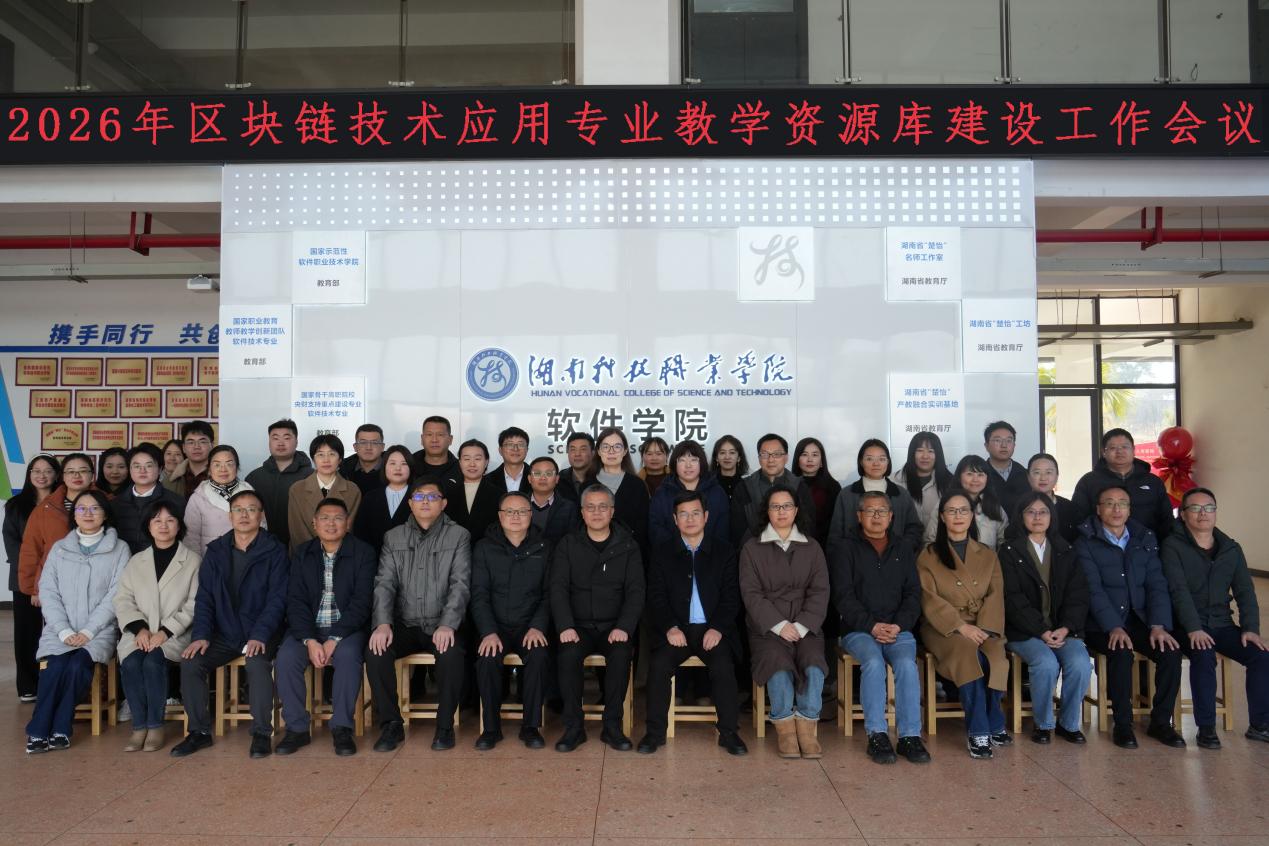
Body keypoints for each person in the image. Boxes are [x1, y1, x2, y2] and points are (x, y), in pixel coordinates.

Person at [171, 489, 289, 759]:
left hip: (263, 631)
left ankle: (261, 733)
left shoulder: (275, 550)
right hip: (225, 632)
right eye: (238, 509)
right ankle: (199, 732)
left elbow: (278, 600)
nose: (244, 515)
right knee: (191, 662)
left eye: (251, 509)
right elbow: (205, 598)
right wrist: (201, 635)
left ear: (261, 516)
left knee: (257, 663)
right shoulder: (216, 551)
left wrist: (260, 634)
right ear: (229, 516)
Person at [365, 477, 470, 752]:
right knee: (376, 651)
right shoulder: (394, 536)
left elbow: (460, 584)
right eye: (419, 497)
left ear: (443, 504)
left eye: (432, 497)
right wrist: (383, 624)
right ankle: (391, 724)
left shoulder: (459, 535)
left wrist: (448, 624)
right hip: (406, 623)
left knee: (451, 655)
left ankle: (444, 726)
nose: (425, 502)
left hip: (441, 623)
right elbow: (384, 583)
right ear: (410, 503)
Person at [1076, 484, 1184, 749]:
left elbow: (1157, 584)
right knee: (1121, 653)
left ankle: (1161, 722)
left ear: (1129, 509)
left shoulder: (1144, 538)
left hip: (1140, 618)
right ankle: (1123, 725)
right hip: (1101, 623)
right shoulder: (1085, 542)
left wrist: (1158, 625)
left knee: (1170, 652)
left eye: (1122, 503)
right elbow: (1093, 590)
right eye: (1109, 503)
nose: (1116, 509)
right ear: (1098, 509)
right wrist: (1113, 625)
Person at [640, 490, 746, 756]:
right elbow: (656, 597)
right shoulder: (662, 552)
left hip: (712, 629)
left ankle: (729, 733)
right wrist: (670, 627)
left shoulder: (724, 550)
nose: (690, 519)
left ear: (706, 516)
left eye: (695, 513)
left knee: (723, 667)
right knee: (659, 666)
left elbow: (732, 597)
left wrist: (718, 628)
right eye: (683, 514)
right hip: (677, 629)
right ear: (675, 519)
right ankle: (654, 733)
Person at [1161, 487, 1268, 748]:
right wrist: (1194, 628)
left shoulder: (1231, 548)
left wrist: (1250, 628)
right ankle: (1206, 728)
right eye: (1195, 508)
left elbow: (1245, 591)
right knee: (1204, 654)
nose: (1203, 514)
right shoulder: (1172, 546)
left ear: (1215, 512)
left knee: (1261, 656)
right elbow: (1178, 592)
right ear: (1183, 514)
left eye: (1209, 508)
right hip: (1186, 626)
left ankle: (1260, 725)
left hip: (1222, 624)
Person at [24, 490, 129, 753]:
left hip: (99, 631)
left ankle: (60, 726)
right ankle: (38, 730)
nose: (88, 514)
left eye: (95, 508)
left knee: (77, 666)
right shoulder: (60, 548)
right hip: (59, 629)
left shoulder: (119, 548)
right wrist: (63, 630)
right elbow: (48, 591)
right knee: (54, 667)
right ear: (74, 515)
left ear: (105, 514)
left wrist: (88, 631)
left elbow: (117, 594)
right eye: (81, 509)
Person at [831, 491, 930, 765]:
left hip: (898, 629)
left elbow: (913, 594)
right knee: (873, 663)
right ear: (859, 516)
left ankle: (909, 736)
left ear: (891, 516)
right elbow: (843, 596)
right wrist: (872, 625)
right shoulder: (845, 548)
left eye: (882, 511)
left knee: (907, 665)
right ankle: (877, 734)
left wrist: (898, 625)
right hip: (858, 630)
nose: (876, 516)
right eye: (870, 511)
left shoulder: (903, 549)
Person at [274, 498, 376, 757]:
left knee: (349, 656)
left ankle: (342, 727)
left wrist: (335, 637)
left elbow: (362, 602)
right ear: (314, 523)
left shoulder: (363, 552)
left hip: (347, 629)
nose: (331, 523)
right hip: (308, 630)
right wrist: (309, 640)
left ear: (348, 523)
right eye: (325, 518)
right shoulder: (302, 553)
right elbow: (295, 601)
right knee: (286, 658)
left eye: (338, 518)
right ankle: (296, 728)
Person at [551, 483, 645, 752]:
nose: (596, 512)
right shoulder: (568, 544)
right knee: (568, 655)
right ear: (582, 512)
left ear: (612, 511)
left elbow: (636, 591)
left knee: (621, 655)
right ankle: (574, 727)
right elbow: (558, 588)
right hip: (577, 626)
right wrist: (565, 626)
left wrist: (624, 627)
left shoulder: (628, 545)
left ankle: (612, 726)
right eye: (590, 507)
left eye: (603, 507)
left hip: (614, 626)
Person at [739, 484, 829, 759]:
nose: (781, 512)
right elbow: (751, 594)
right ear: (766, 512)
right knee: (777, 665)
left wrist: (800, 626)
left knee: (813, 663)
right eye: (775, 507)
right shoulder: (752, 548)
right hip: (767, 628)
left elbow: (820, 591)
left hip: (806, 626)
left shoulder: (812, 547)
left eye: (787, 506)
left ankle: (807, 728)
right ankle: (785, 729)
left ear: (796, 510)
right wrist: (779, 625)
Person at [917, 490, 1009, 759]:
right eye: (952, 511)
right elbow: (929, 598)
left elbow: (995, 594)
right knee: (970, 656)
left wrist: (985, 628)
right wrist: (960, 627)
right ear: (942, 517)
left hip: (983, 624)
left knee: (995, 658)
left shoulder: (987, 554)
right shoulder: (929, 555)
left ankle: (994, 720)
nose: (958, 516)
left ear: (972, 516)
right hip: (944, 627)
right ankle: (979, 731)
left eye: (963, 510)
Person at [999, 492, 1092, 745]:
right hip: (1024, 631)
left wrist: (1066, 627)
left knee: (1081, 664)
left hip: (1063, 630)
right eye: (1030, 512)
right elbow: (1012, 598)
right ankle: (1043, 724)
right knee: (1046, 663)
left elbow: (1078, 594)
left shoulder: (1066, 550)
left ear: (1052, 517)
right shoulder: (1009, 551)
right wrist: (1041, 630)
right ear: (1021, 517)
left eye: (1043, 512)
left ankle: (1069, 724)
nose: (1037, 517)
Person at [113, 500, 201, 753]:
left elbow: (194, 603)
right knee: (131, 663)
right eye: (157, 521)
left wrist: (165, 631)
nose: (164, 526)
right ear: (148, 526)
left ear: (179, 526)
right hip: (139, 633)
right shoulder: (136, 561)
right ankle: (139, 726)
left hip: (175, 634)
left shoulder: (192, 561)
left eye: (170, 520)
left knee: (153, 662)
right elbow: (123, 599)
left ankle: (155, 725)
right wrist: (140, 629)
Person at [470, 491, 551, 750]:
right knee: (487, 658)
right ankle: (491, 729)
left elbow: (550, 594)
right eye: (510, 511)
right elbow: (479, 595)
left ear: (531, 515)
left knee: (538, 656)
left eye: (522, 511)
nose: (516, 517)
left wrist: (537, 626)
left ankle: (531, 727)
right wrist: (488, 631)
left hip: (530, 625)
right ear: (500, 516)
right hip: (496, 626)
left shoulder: (545, 547)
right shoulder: (484, 547)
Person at [4, 454, 59, 702]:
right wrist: (35, 577)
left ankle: (52, 682)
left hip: (58, 577)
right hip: (24, 577)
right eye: (36, 471)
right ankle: (28, 685)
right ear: (29, 475)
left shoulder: (64, 503)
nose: (41, 476)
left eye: (47, 471)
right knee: (27, 632)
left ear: (56, 475)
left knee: (57, 631)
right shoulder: (16, 505)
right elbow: (13, 543)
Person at [18, 453, 99, 616]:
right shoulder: (46, 508)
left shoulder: (109, 503)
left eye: (83, 470)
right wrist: (34, 588)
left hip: (97, 585)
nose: (77, 475)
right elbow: (32, 549)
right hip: (57, 585)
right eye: (70, 471)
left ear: (92, 475)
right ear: (62, 476)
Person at [1072, 429, 1174, 541]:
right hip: (1101, 546)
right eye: (1113, 448)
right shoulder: (1089, 481)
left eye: (1125, 447)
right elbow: (1078, 518)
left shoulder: (1153, 482)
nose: (1119, 451)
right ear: (1103, 452)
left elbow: (1167, 519)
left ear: (1133, 450)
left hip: (1148, 546)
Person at [829, 439, 924, 554]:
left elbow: (914, 528)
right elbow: (835, 536)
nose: (876, 464)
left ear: (888, 462)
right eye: (869, 459)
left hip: (896, 559)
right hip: (853, 560)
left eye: (882, 459)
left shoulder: (901, 494)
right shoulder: (846, 494)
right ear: (861, 462)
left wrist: (902, 548)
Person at [730, 434, 815, 546]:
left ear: (786, 458)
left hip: (792, 551)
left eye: (777, 454)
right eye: (765, 454)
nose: (771, 460)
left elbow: (808, 525)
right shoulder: (744, 487)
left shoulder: (799, 487)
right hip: (754, 551)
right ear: (759, 458)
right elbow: (737, 529)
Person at [648, 439, 729, 549]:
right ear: (674, 464)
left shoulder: (717, 492)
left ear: (701, 463)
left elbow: (723, 530)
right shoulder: (663, 492)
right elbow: (655, 528)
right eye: (682, 460)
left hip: (711, 554)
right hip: (670, 554)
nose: (688, 465)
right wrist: (680, 550)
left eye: (694, 460)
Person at [245, 419, 313, 548]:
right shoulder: (254, 478)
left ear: (296, 442)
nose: (281, 443)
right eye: (275, 438)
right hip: (261, 547)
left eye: (286, 438)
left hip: (301, 547)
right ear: (269, 442)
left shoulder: (310, 477)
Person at [287, 434, 362, 552]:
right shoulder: (297, 489)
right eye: (320, 454)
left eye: (332, 454)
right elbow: (297, 530)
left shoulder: (352, 490)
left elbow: (348, 528)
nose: (326, 460)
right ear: (313, 459)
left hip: (341, 555)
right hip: (305, 555)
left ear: (340, 459)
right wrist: (312, 554)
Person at [185, 445, 262, 556]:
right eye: (217, 465)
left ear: (237, 467)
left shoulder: (250, 493)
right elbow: (190, 538)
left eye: (229, 464)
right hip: (211, 560)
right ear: (209, 469)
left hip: (247, 558)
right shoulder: (198, 497)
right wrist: (198, 564)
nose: (223, 469)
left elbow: (262, 528)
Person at [112, 443, 186, 555]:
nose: (142, 471)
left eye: (149, 466)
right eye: (137, 466)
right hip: (124, 562)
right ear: (130, 469)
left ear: (160, 469)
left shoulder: (176, 502)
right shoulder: (116, 504)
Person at [924, 456, 1009, 550]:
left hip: (988, 559)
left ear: (987, 478)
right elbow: (930, 541)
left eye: (980, 475)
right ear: (959, 477)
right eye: (969, 474)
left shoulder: (994, 505)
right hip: (950, 558)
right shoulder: (946, 503)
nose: (975, 479)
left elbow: (1004, 542)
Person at [589, 427, 650, 554]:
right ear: (598, 451)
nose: (611, 451)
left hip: (630, 554)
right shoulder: (588, 485)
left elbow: (643, 529)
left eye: (617, 447)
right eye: (606, 447)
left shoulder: (637, 485)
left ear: (625, 451)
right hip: (594, 554)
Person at [352, 445, 415, 554]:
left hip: (411, 559)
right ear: (384, 466)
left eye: (404, 464)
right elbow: (360, 532)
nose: (398, 468)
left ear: (411, 468)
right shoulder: (370, 497)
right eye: (392, 463)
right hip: (373, 558)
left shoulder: (419, 497)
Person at [443, 438, 502, 540]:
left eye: (477, 459)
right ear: (460, 462)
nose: (472, 464)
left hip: (487, 547)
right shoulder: (448, 493)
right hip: (453, 548)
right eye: (467, 459)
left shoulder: (499, 494)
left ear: (486, 462)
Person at [893, 431, 953, 529]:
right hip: (903, 538)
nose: (925, 456)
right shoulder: (894, 481)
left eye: (931, 451)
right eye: (920, 450)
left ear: (938, 454)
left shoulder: (951, 483)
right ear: (912, 453)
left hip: (938, 538)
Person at [792, 437, 841, 549]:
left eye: (815, 455)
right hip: (794, 545)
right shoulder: (789, 485)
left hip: (826, 545)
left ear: (821, 461)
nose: (810, 459)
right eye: (804, 454)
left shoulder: (833, 487)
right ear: (797, 460)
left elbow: (836, 523)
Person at [1026, 453, 1079, 543]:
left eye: (1049, 472)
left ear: (1057, 476)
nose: (1043, 478)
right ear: (1028, 477)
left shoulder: (1069, 507)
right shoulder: (1020, 506)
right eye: (1037, 472)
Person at [525, 455, 580, 542]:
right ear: (529, 479)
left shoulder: (570, 508)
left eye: (549, 473)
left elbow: (572, 542)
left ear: (557, 479)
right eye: (537, 473)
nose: (543, 478)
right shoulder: (518, 505)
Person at [983, 421, 1030, 517]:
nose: (1004, 445)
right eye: (997, 440)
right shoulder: (979, 475)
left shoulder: (1025, 474)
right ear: (986, 446)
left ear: (1014, 445)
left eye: (1009, 440)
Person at [163, 420, 215, 499]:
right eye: (191, 442)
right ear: (184, 448)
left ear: (212, 445)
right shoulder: (169, 481)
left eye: (202, 442)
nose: (196, 446)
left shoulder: (223, 476)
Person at [412, 415, 460, 486]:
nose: (434, 440)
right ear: (422, 439)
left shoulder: (460, 468)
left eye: (440, 435)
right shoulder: (408, 466)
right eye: (429, 434)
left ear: (450, 439)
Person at [340, 424, 387, 495]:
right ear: (355, 447)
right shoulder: (342, 469)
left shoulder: (394, 468)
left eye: (374, 443)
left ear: (382, 447)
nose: (368, 447)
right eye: (363, 442)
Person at [487, 427, 532, 495]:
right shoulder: (487, 480)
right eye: (510, 445)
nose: (515, 449)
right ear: (500, 450)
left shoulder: (537, 477)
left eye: (521, 445)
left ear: (527, 450)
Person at [555, 431, 595, 502]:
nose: (577, 454)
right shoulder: (559, 480)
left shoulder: (602, 478)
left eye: (583, 449)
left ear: (593, 453)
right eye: (573, 449)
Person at [710, 435, 749, 501]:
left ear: (739, 458)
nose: (727, 457)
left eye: (732, 452)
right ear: (716, 458)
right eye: (722, 453)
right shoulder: (710, 484)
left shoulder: (748, 484)